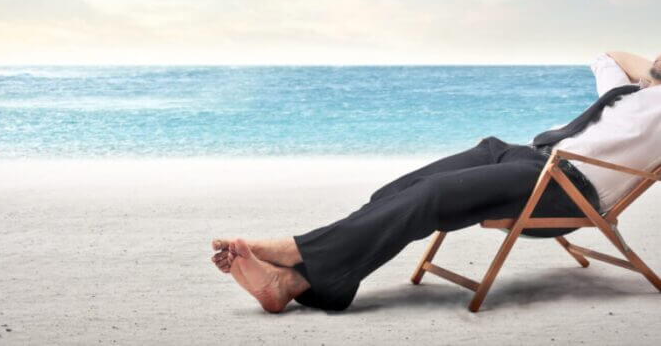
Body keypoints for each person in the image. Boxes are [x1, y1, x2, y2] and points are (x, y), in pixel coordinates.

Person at [211, 51, 661, 313]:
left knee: (431, 197)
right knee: (399, 190)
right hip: (524, 156)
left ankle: (295, 255)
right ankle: (297, 282)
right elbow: (605, 55)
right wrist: (650, 73)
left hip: (563, 189)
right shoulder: (631, 91)